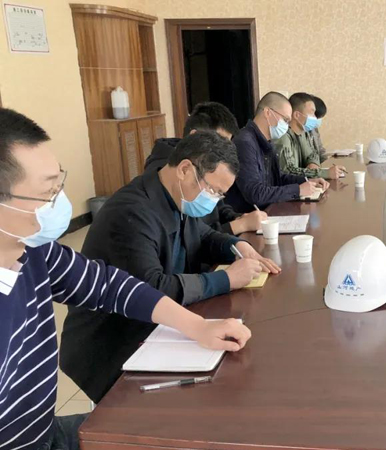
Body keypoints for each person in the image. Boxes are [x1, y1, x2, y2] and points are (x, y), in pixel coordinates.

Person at [0, 108, 251, 450]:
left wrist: (198, 327)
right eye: (48, 192)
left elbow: (109, 285)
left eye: (60, 184)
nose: (60, 203)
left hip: (44, 430)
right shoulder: (133, 209)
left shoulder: (36, 251)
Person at [60, 131, 280, 403]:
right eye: (213, 191)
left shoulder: (177, 197)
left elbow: (203, 235)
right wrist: (226, 279)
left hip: (159, 327)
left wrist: (236, 245)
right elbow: (152, 288)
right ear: (185, 170)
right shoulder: (131, 212)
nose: (214, 200)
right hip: (113, 343)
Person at [144, 101, 267, 235]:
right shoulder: (171, 175)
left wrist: (237, 217)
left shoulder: (207, 169)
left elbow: (218, 209)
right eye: (218, 143)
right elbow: (193, 238)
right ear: (194, 137)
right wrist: (240, 225)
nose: (224, 152)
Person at [224, 91, 328, 214]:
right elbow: (255, 194)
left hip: (269, 211)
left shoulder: (267, 140)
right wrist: (298, 190)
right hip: (250, 217)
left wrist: (306, 181)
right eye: (285, 120)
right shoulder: (245, 142)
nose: (287, 126)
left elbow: (278, 178)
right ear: (268, 112)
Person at [274, 92, 345, 179]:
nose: (315, 117)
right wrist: (324, 173)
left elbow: (312, 154)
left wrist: (313, 163)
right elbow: (288, 171)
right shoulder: (283, 136)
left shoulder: (303, 133)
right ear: (297, 115)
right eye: (312, 113)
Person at [309, 95, 329, 163]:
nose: (318, 120)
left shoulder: (314, 129)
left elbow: (320, 150)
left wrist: (327, 162)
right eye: (317, 117)